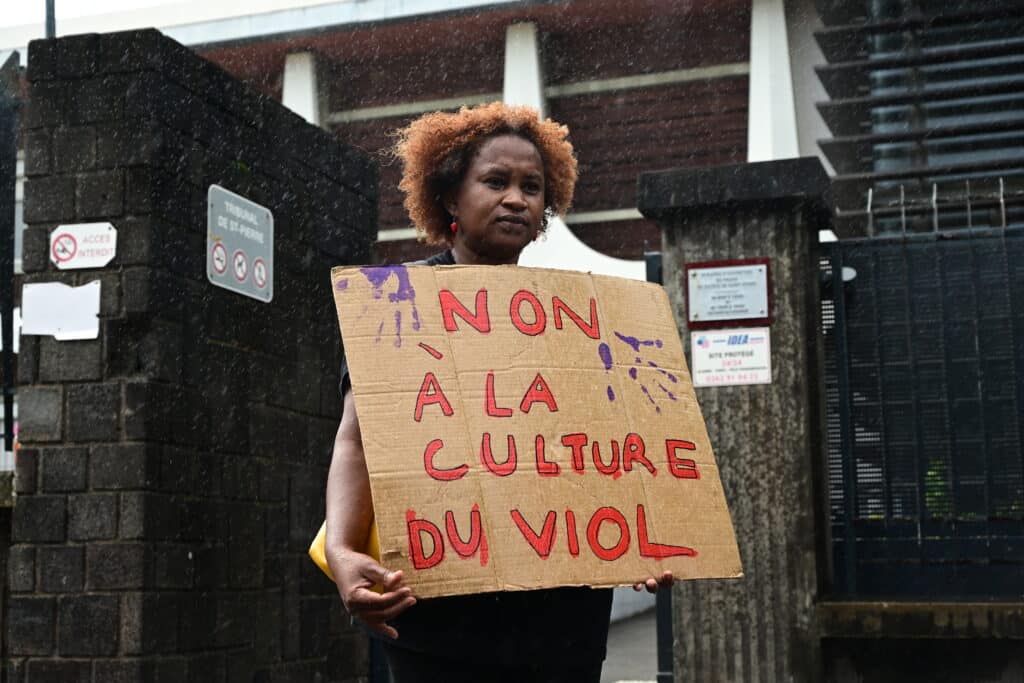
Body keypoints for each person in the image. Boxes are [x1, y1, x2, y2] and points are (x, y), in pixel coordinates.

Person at [324, 102, 672, 683]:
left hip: (564, 625)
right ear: (449, 199)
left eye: (532, 187)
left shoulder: (588, 318)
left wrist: (652, 533)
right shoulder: (396, 307)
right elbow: (357, 442)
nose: (517, 198)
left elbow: (625, 441)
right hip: (438, 623)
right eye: (495, 181)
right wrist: (340, 547)